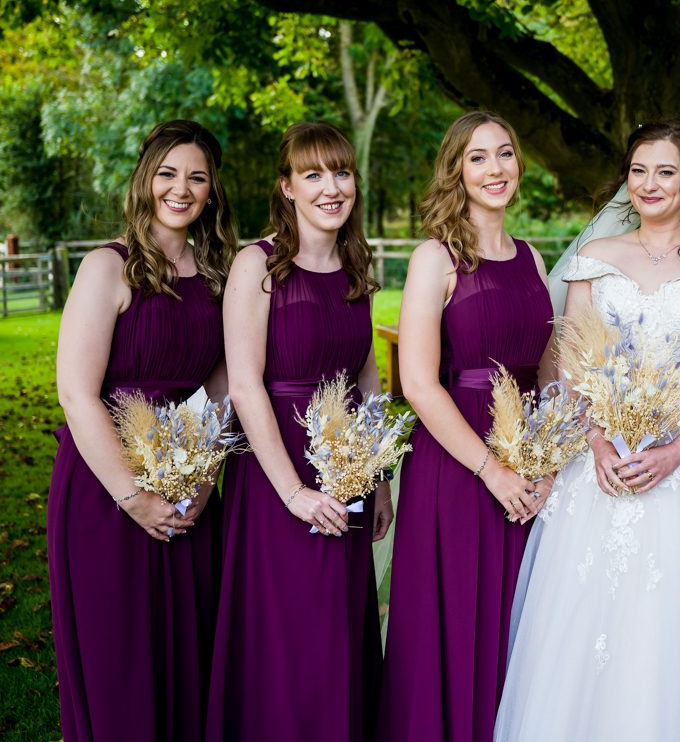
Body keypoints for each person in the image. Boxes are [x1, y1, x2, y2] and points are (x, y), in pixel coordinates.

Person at [495, 120, 680, 741]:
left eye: (665, 172)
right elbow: (571, 363)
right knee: (586, 624)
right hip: (599, 461)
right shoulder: (595, 261)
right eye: (638, 170)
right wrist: (597, 442)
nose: (649, 184)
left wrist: (676, 452)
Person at [48, 119, 237, 741]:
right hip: (105, 485)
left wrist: (201, 481)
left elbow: (220, 388)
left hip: (186, 477)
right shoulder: (108, 268)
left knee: (187, 645)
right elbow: (76, 392)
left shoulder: (218, 276)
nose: (180, 189)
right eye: (167, 173)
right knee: (120, 655)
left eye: (197, 177)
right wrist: (134, 497)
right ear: (144, 180)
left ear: (212, 191)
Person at [207, 121, 391, 740]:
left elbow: (365, 376)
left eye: (341, 172)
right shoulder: (255, 265)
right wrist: (292, 492)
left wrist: (380, 476)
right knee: (287, 634)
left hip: (346, 471)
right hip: (276, 474)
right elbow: (244, 385)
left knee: (338, 628)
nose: (331, 187)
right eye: (313, 175)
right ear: (286, 187)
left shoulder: (356, 264)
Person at [377, 111, 554, 742]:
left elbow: (550, 371)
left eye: (504, 154)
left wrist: (546, 462)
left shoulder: (533, 258)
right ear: (457, 169)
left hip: (528, 459)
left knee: (519, 616)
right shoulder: (436, 257)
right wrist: (493, 470)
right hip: (458, 463)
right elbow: (419, 384)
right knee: (452, 618)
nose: (495, 169)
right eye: (478, 157)